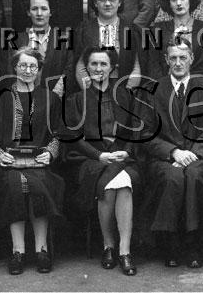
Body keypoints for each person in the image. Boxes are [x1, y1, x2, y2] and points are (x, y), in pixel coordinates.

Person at [137, 37, 203, 268]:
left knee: (195, 176)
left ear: (192, 59)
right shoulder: (153, 89)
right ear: (166, 59)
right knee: (172, 178)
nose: (178, 63)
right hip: (164, 157)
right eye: (173, 58)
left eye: (182, 57)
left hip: (199, 154)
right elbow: (145, 132)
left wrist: (191, 154)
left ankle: (195, 245)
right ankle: (170, 245)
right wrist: (173, 152)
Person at [0, 47, 65, 275]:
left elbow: (58, 134)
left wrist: (51, 152)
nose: (28, 70)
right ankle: (18, 251)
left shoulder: (50, 98)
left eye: (33, 66)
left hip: (39, 163)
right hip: (8, 164)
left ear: (39, 70)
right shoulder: (0, 97)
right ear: (15, 67)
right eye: (23, 65)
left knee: (40, 184)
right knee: (14, 185)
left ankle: (41, 249)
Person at [63, 48, 141, 276]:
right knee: (114, 181)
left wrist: (125, 152)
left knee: (124, 180)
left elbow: (136, 131)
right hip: (89, 159)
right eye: (94, 64)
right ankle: (110, 244)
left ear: (112, 68)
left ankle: (123, 250)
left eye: (103, 64)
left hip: (123, 158)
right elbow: (73, 138)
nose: (98, 69)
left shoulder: (126, 96)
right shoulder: (76, 99)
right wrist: (99, 156)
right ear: (87, 67)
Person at [75, 0, 141, 90]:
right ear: (95, 2)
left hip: (124, 89)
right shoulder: (84, 29)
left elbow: (137, 65)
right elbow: (80, 65)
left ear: (119, 2)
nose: (107, 4)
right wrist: (92, 92)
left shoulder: (131, 29)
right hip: (92, 89)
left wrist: (126, 92)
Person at [7, 0, 75, 96]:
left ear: (51, 12)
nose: (39, 13)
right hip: (22, 98)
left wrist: (52, 98)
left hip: (54, 100)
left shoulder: (63, 40)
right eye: (34, 9)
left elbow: (69, 70)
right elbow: (9, 70)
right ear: (28, 12)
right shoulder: (16, 40)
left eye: (44, 9)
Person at [147, 0, 203, 81]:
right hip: (165, 87)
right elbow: (153, 65)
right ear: (169, 3)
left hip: (198, 86)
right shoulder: (157, 30)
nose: (178, 3)